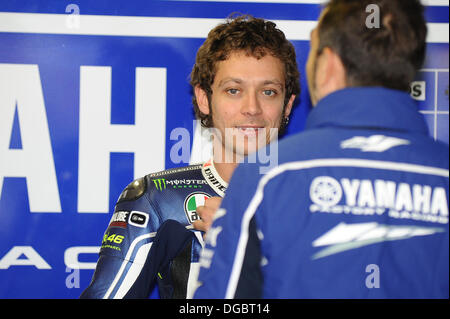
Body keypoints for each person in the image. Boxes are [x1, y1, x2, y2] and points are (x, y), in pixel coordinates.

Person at [193, 0, 449, 298]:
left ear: (327, 64)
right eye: (234, 90)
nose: (251, 107)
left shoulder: (268, 178)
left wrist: (236, 240)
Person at [80, 14, 300, 299]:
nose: (252, 108)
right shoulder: (159, 199)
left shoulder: (323, 198)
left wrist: (249, 238)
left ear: (287, 105)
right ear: (204, 99)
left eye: (268, 91)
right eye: (234, 90)